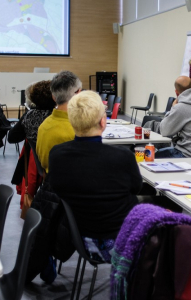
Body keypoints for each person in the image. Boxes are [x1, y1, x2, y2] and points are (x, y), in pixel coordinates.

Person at [48, 90, 142, 263]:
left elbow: (56, 188)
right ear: (103, 122)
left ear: (71, 121)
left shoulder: (56, 155)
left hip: (78, 240)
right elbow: (136, 188)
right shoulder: (123, 156)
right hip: (120, 244)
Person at [8, 80, 55, 210]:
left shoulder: (28, 117)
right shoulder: (58, 117)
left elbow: (12, 138)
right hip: (58, 169)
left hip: (39, 168)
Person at [36, 70, 81, 172]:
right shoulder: (77, 131)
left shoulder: (43, 126)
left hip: (50, 181)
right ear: (78, 93)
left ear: (53, 97)